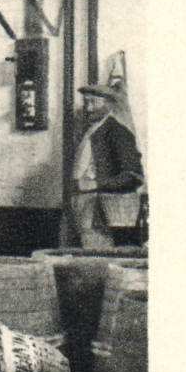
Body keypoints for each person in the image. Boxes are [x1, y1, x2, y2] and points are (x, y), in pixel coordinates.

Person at [72, 82, 144, 248]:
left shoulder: (117, 132)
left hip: (106, 215)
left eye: (93, 102)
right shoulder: (90, 131)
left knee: (100, 257)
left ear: (109, 105)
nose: (88, 108)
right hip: (86, 211)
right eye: (86, 103)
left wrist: (97, 184)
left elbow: (134, 176)